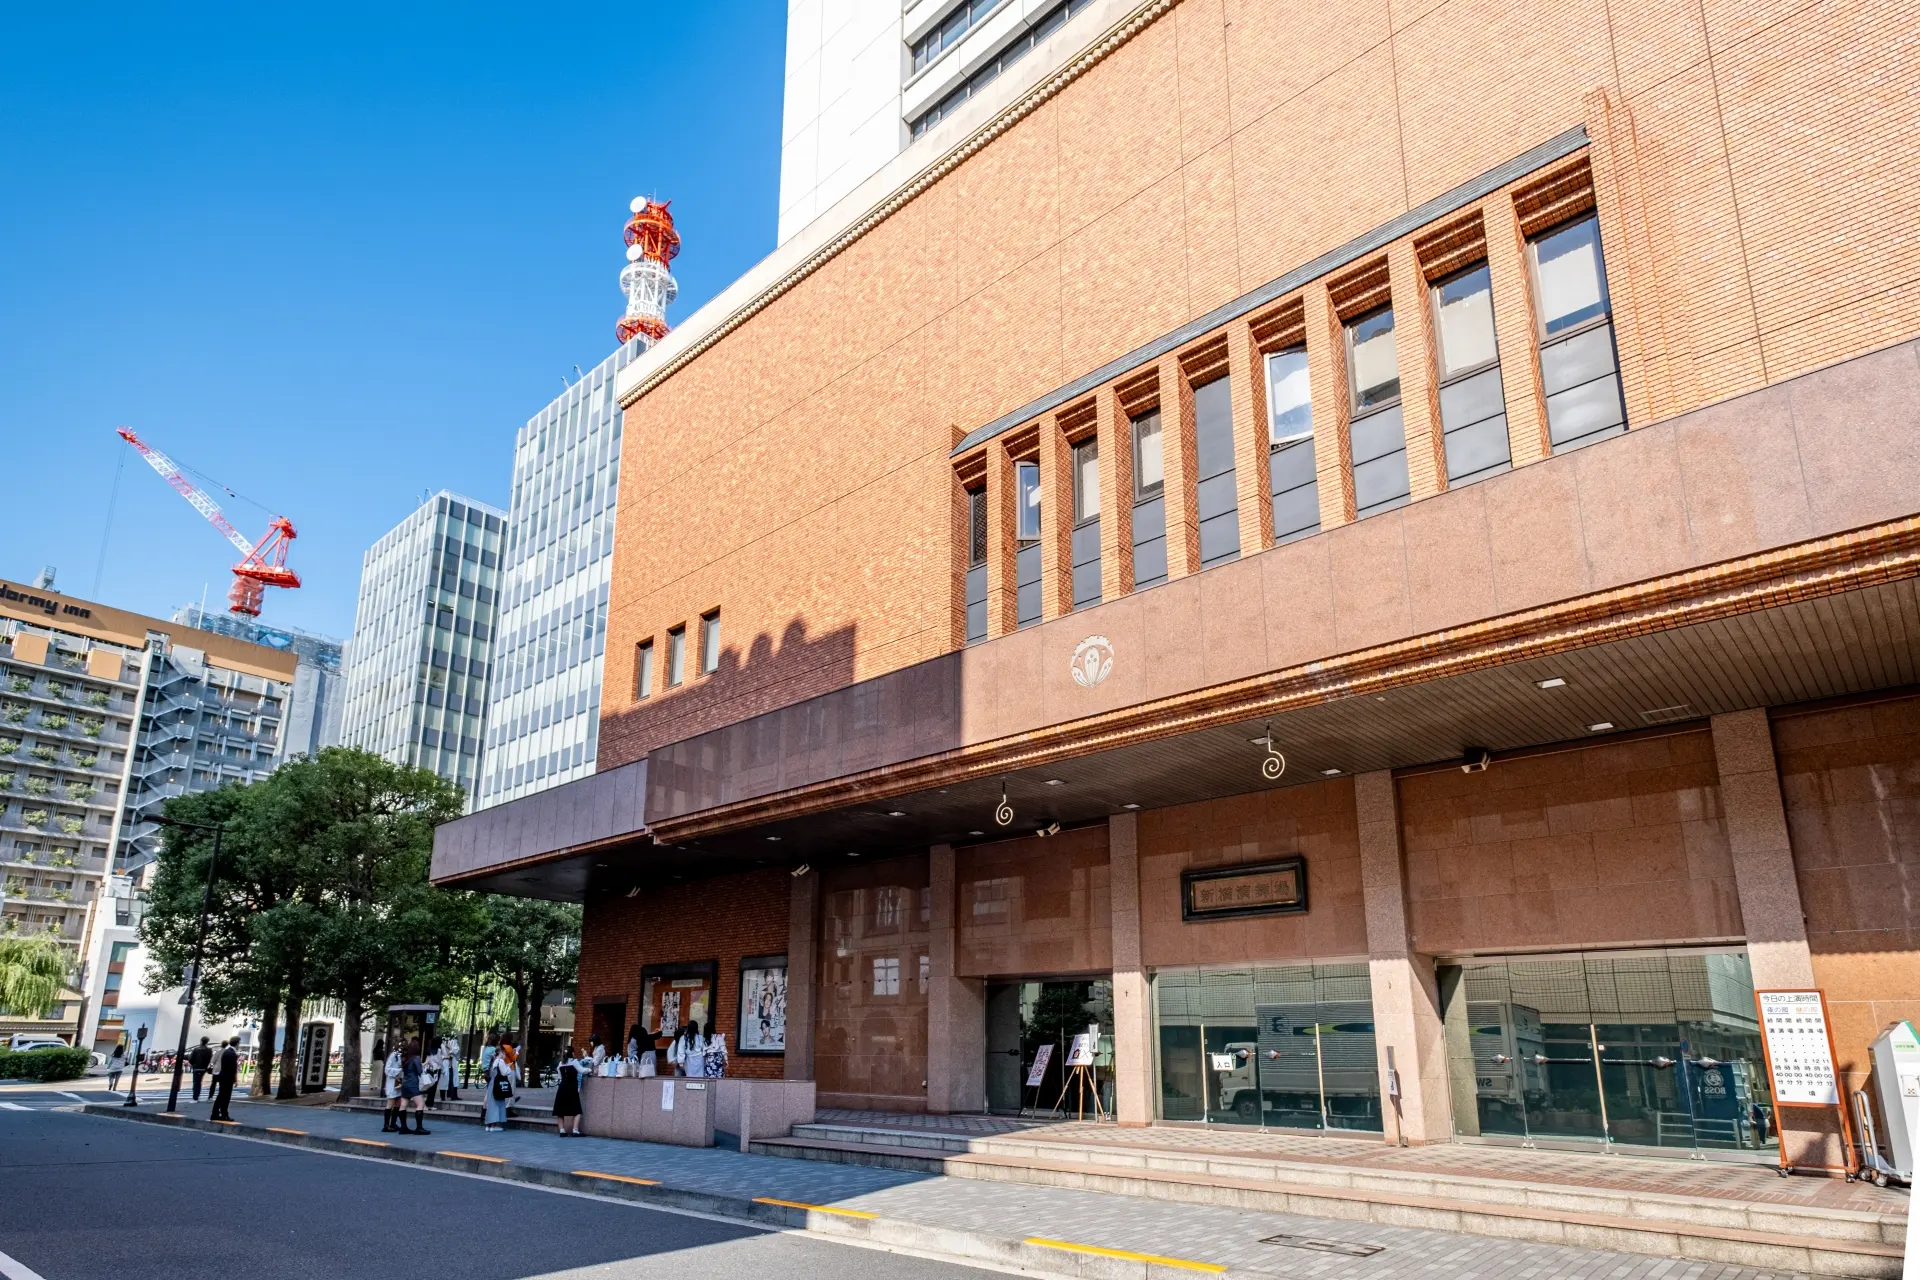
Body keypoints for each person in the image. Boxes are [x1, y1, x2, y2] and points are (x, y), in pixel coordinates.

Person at [483, 1032, 517, 1132]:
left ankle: (488, 1125)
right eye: (504, 1053)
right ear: (500, 1053)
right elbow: (504, 1073)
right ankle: (494, 1126)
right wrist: (508, 1066)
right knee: (498, 1105)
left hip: (492, 1084)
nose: (504, 1055)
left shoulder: (493, 1061)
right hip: (498, 1085)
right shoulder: (501, 1061)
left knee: (491, 1104)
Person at [399, 1037, 430, 1135]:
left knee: (403, 1105)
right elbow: (419, 1071)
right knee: (420, 1104)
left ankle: (403, 1127)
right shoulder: (416, 1058)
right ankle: (419, 1128)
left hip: (405, 1084)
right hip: (413, 1084)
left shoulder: (405, 1058)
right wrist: (424, 1065)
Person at [552, 1043, 584, 1137]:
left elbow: (559, 1076)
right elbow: (582, 1070)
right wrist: (589, 1070)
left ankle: (562, 1130)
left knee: (560, 1110)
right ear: (572, 1053)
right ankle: (575, 1130)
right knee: (577, 1110)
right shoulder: (574, 1062)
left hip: (562, 1087)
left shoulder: (561, 1063)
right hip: (572, 1087)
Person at [210, 1037, 239, 1122]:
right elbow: (233, 1068)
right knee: (225, 1097)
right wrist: (235, 1079)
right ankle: (223, 1114)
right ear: (237, 1043)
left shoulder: (227, 1052)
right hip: (227, 1077)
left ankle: (216, 1113)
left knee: (221, 1096)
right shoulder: (231, 1053)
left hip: (223, 1076)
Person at [381, 1039, 404, 1132]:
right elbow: (387, 1069)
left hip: (398, 1083)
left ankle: (393, 1123)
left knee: (398, 1102)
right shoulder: (392, 1056)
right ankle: (386, 1125)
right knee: (390, 1103)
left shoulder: (400, 1056)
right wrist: (398, 1071)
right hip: (392, 1082)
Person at [187, 1036, 213, 1102]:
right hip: (204, 1068)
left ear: (201, 1041)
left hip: (196, 1067)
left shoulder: (196, 1049)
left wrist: (193, 1064)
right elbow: (210, 1059)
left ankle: (195, 1097)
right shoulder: (209, 1050)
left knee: (196, 1083)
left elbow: (191, 1059)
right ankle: (197, 1096)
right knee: (199, 1082)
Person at [421, 1039, 441, 1110]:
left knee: (428, 1087)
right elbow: (440, 1061)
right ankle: (429, 1104)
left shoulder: (429, 1050)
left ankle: (425, 1104)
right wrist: (443, 1069)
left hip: (429, 1069)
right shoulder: (438, 1050)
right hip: (436, 1070)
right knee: (433, 1088)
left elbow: (427, 1061)